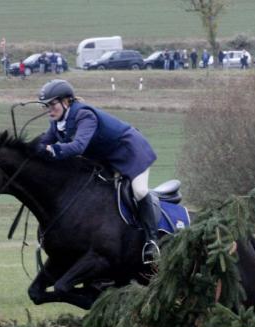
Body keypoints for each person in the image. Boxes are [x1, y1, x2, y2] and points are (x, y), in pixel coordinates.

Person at [35, 79, 161, 263]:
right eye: (46, 105)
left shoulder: (84, 115)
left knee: (139, 191)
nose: (49, 109)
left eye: (52, 104)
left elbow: (78, 147)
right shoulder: (57, 122)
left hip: (130, 151)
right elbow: (44, 141)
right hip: (106, 159)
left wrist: (52, 150)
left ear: (66, 101)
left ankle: (152, 240)